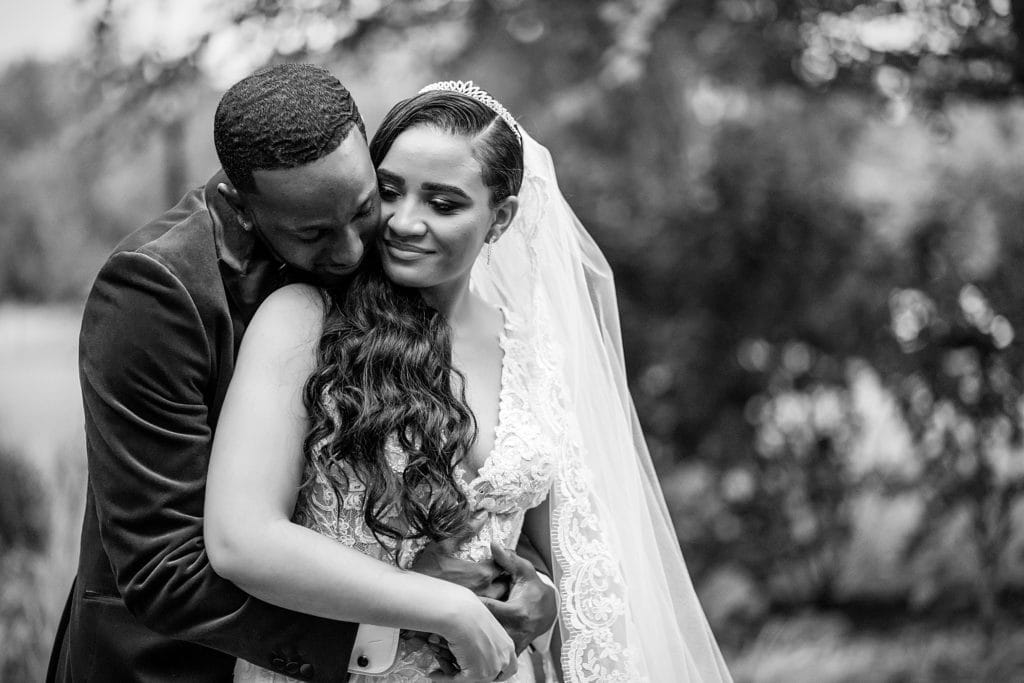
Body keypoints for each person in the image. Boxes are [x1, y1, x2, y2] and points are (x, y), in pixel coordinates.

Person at [204, 81, 733, 681]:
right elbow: (241, 539)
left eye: (444, 204)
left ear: (500, 218)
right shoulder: (306, 321)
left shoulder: (536, 351)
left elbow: (571, 552)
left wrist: (547, 602)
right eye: (390, 191)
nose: (404, 222)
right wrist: (452, 610)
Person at [48, 64, 554, 683]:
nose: (353, 250)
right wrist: (404, 619)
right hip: (176, 661)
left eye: (366, 207)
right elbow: (166, 567)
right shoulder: (153, 293)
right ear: (243, 207)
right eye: (312, 233)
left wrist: (525, 585)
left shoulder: (398, 261)